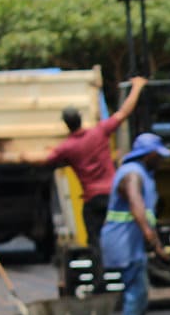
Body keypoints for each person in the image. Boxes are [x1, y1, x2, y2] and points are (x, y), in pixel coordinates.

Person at [40, 76, 148, 280]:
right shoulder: (99, 132)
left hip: (92, 199)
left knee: (95, 241)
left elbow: (46, 160)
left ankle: (100, 279)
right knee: (122, 232)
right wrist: (137, 87)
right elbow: (124, 112)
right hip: (113, 196)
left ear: (66, 125)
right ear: (81, 119)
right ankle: (125, 273)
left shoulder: (67, 147)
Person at [101, 132, 170, 315]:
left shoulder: (140, 172)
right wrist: (153, 240)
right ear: (148, 155)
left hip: (131, 242)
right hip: (124, 242)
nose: (160, 161)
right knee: (136, 293)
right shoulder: (132, 174)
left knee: (139, 292)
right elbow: (135, 203)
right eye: (158, 156)